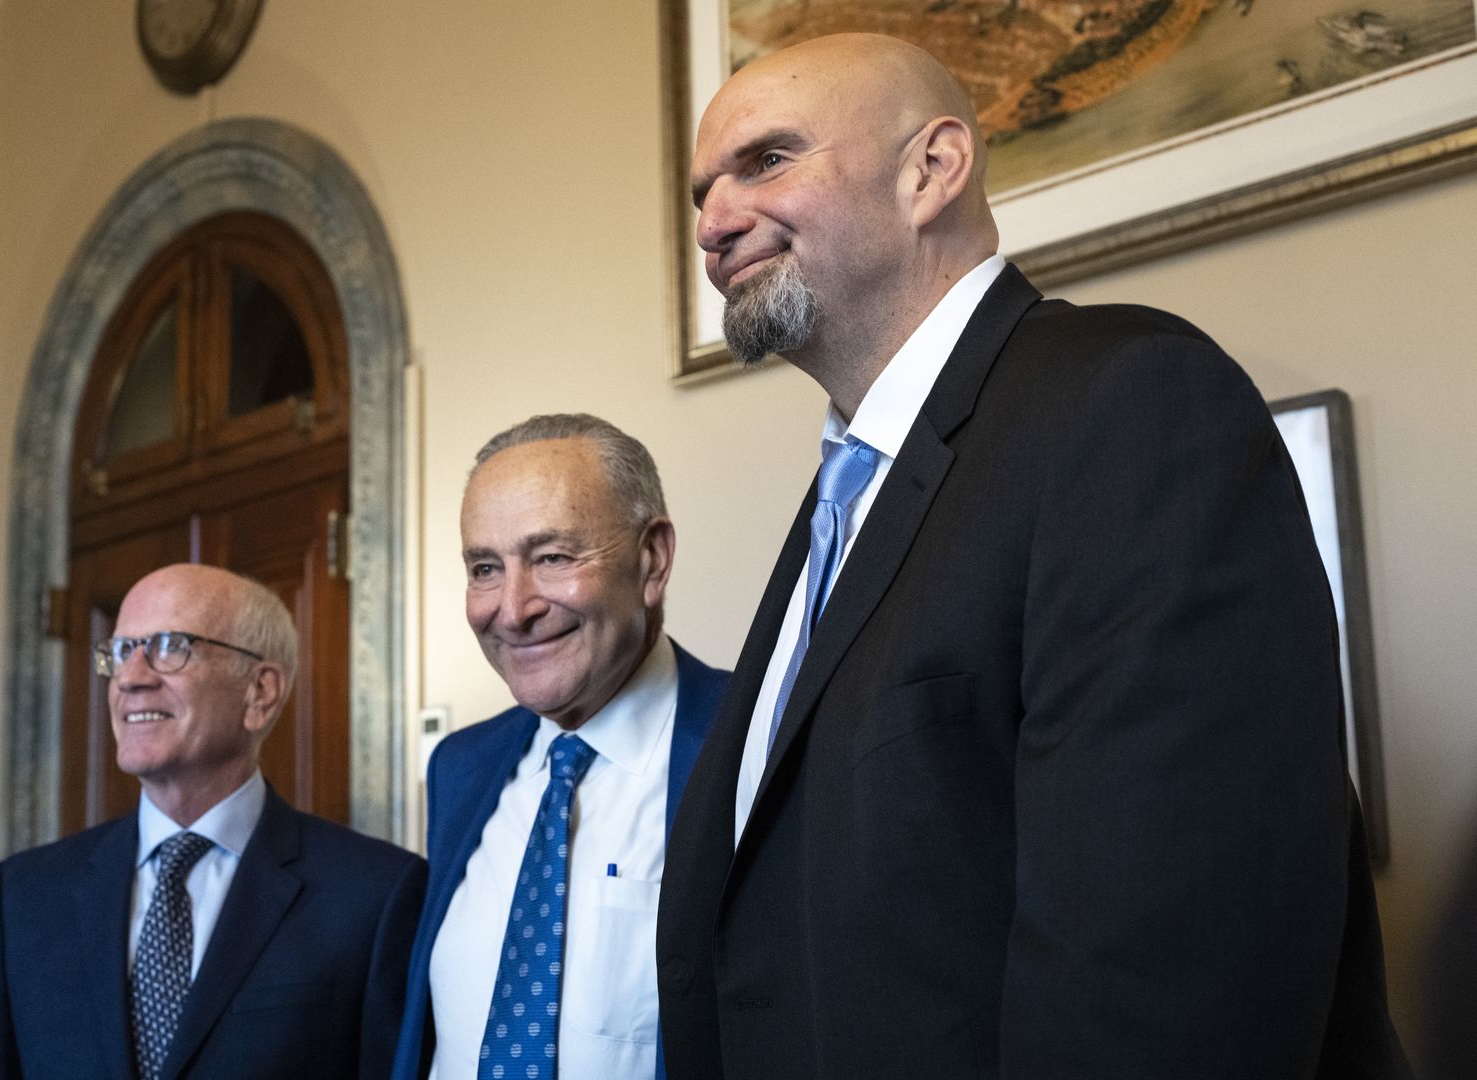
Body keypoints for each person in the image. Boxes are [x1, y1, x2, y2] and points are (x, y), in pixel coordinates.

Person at [656, 33, 1409, 1078]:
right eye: (704, 193)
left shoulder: (1134, 404)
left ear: (933, 168)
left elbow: (1168, 987)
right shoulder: (851, 489)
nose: (713, 222)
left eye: (767, 160)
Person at [0, 564, 425, 1080]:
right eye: (121, 651)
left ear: (260, 692)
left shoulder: (374, 895)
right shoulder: (24, 896)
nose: (130, 678)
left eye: (169, 647)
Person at [391, 414, 731, 1080]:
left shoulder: (756, 743)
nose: (512, 609)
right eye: (485, 568)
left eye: (552, 557)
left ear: (652, 560)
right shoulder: (460, 767)